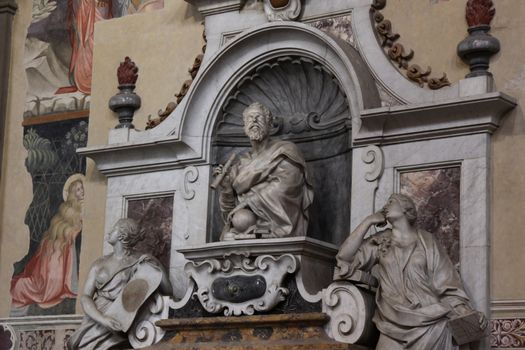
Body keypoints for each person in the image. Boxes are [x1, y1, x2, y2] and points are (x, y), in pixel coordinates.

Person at [335, 193, 487, 350]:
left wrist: (466, 312)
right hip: (392, 320)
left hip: (431, 320)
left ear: (406, 209)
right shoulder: (380, 240)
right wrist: (368, 222)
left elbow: (447, 282)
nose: (386, 206)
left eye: (391, 202)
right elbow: (344, 257)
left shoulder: (428, 241)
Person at [213, 102, 314, 240]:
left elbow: (287, 186)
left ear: (270, 125)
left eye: (259, 117)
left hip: (277, 224)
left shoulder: (285, 151)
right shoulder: (239, 164)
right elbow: (229, 214)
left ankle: (255, 231)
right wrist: (226, 189)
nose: (254, 120)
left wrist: (249, 202)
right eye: (250, 118)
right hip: (245, 222)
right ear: (244, 127)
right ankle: (247, 233)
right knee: (238, 221)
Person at [67, 218, 172, 350]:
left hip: (120, 319)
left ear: (122, 235)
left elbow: (168, 291)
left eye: (114, 229)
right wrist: (103, 319)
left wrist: (158, 265)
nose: (109, 232)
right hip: (97, 318)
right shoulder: (99, 264)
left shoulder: (141, 261)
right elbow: (85, 297)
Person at [11, 175, 84, 310]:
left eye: (82, 189)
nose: (82, 192)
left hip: (63, 242)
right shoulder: (67, 208)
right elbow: (65, 227)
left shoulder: (83, 207)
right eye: (78, 190)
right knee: (46, 281)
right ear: (73, 193)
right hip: (57, 243)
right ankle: (22, 287)